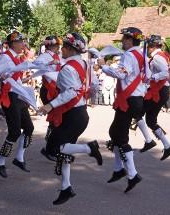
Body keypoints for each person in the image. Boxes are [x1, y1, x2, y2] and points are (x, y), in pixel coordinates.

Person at [39, 32, 102, 205]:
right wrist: (88, 94)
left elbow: (71, 92)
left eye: (63, 48)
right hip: (80, 113)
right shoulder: (83, 64)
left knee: (54, 147)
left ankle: (90, 149)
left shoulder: (67, 68)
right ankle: (66, 187)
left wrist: (49, 105)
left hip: (72, 115)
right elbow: (94, 85)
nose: (61, 51)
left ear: (68, 49)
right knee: (65, 151)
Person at [98, 27, 150, 193]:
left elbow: (121, 74)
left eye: (124, 39)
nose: (122, 41)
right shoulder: (142, 54)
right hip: (135, 98)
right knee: (115, 133)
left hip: (129, 99)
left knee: (119, 136)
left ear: (130, 40)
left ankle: (132, 174)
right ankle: (119, 169)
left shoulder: (128, 55)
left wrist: (103, 66)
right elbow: (146, 76)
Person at [0, 31, 35, 178]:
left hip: (19, 96)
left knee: (29, 128)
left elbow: (15, 77)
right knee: (15, 132)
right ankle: (0, 161)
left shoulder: (16, 58)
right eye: (21, 42)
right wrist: (0, 77)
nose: (23, 45)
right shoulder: (5, 57)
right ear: (13, 44)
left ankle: (19, 158)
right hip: (9, 97)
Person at [134, 35, 170, 160]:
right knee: (151, 120)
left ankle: (149, 141)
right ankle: (168, 145)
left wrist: (151, 77)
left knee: (137, 114)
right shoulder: (162, 55)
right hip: (161, 90)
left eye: (148, 46)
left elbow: (165, 73)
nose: (147, 48)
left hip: (159, 90)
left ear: (152, 47)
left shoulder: (157, 57)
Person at [32, 35, 63, 161]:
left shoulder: (58, 56)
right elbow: (35, 63)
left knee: (57, 118)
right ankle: (50, 147)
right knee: (55, 117)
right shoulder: (45, 56)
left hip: (55, 90)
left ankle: (51, 145)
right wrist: (49, 62)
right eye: (57, 45)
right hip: (48, 90)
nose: (58, 47)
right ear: (51, 45)